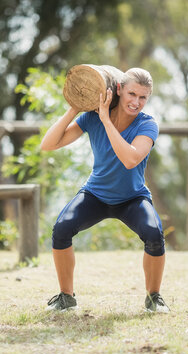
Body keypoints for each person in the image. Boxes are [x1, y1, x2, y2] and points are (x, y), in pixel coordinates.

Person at [40, 68, 169, 313]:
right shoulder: (91, 117)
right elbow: (48, 144)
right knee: (61, 229)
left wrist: (106, 121)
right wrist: (75, 107)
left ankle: (154, 298)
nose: (136, 102)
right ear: (119, 90)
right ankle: (66, 298)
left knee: (154, 235)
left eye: (143, 97)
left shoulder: (148, 125)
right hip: (95, 195)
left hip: (132, 198)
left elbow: (130, 159)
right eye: (132, 94)